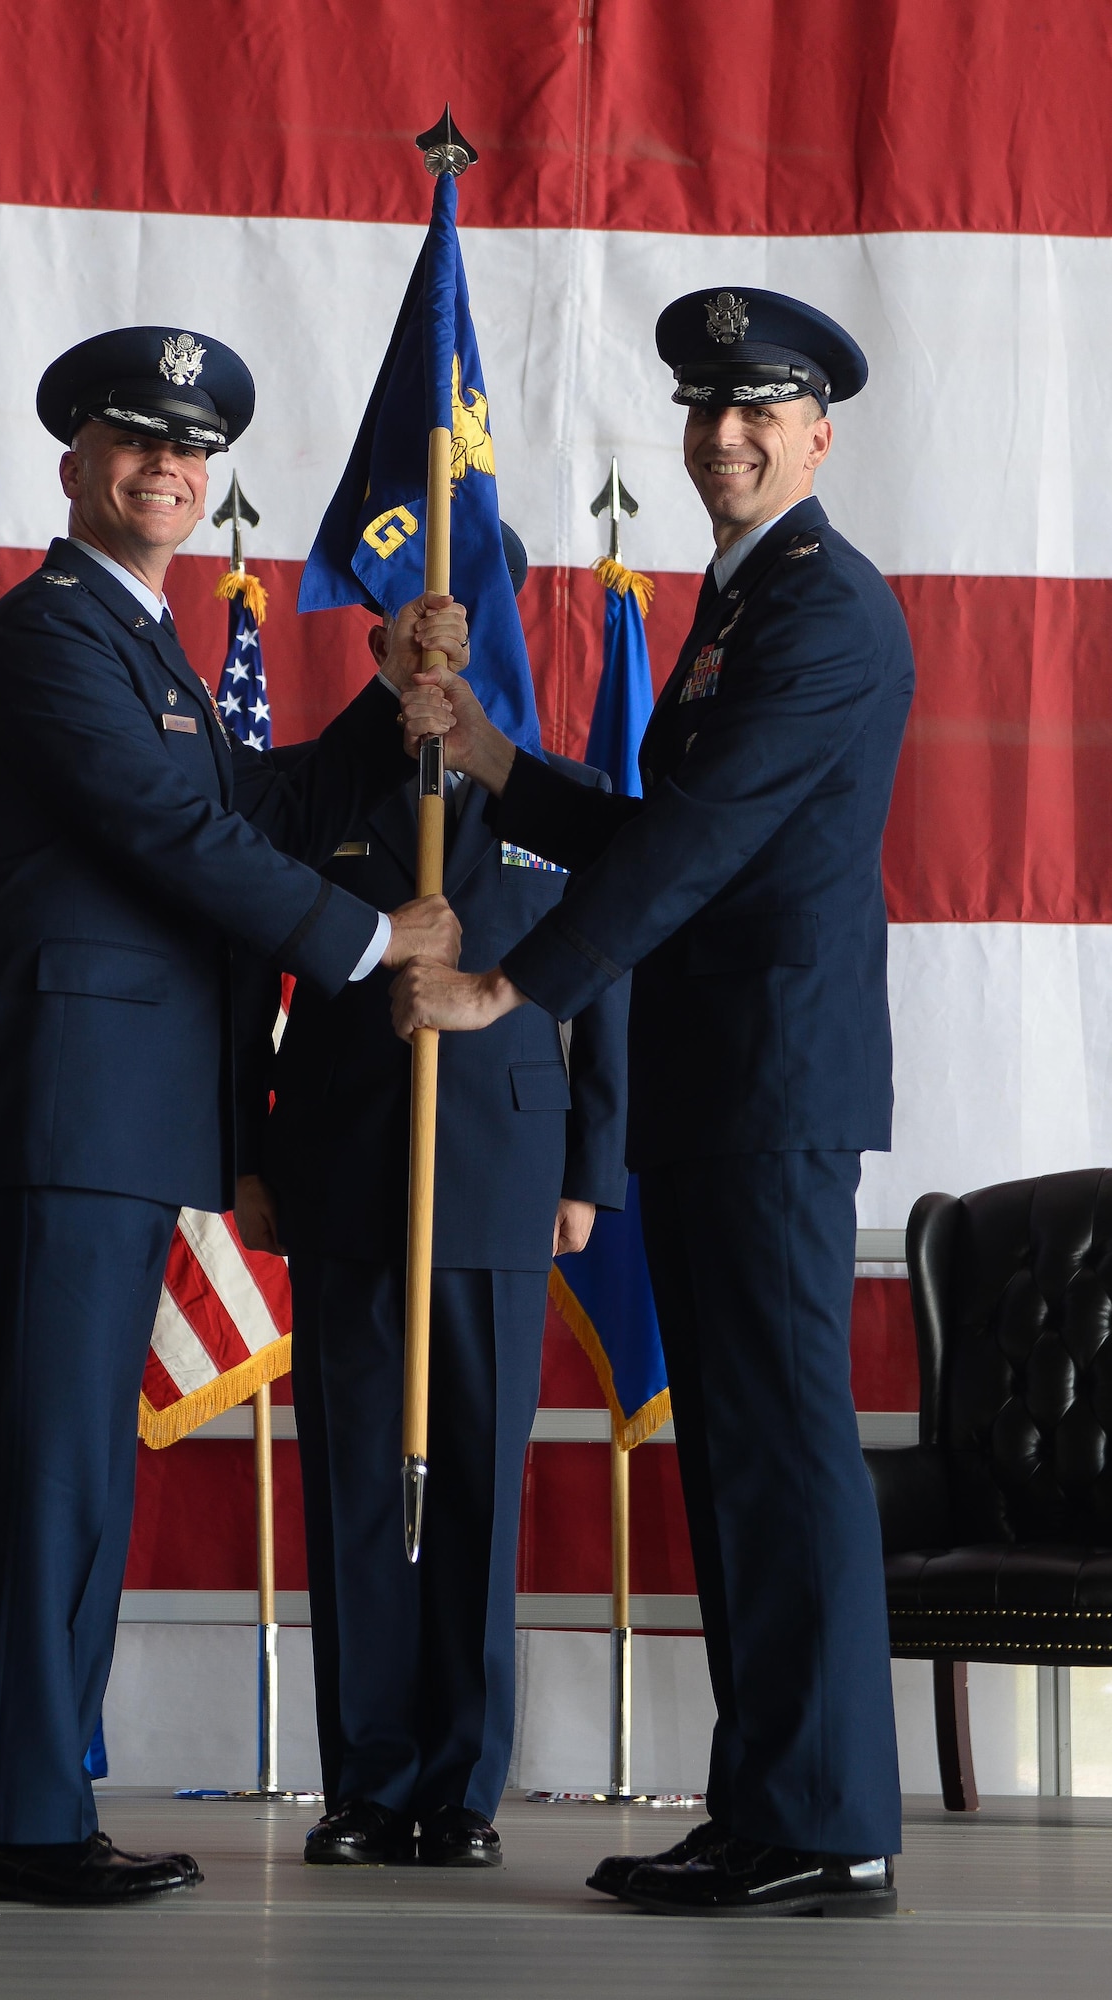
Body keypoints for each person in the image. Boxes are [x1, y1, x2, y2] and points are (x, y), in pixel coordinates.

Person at [0, 324, 468, 1905]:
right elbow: (172, 832)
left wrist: (387, 692)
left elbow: (245, 800)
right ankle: (17, 1826)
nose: (167, 467)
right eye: (134, 440)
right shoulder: (49, 636)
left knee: (74, 1471)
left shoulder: (142, 641)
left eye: (191, 449)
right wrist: (370, 943)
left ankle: (21, 1810)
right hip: (55, 1114)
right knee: (53, 1475)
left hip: (107, 1119)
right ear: (74, 462)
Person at [391, 289, 914, 1919]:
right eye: (705, 409)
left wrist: (511, 990)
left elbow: (699, 851)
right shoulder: (742, 605)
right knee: (741, 1459)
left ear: (820, 433)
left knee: (784, 1447)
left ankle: (827, 1818)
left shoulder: (825, 610)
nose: (726, 436)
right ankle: (771, 1806)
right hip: (716, 1086)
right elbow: (649, 827)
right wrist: (482, 750)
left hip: (769, 1084)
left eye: (760, 410)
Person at [233, 527, 630, 1870]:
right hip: (341, 1166)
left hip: (506, 1176)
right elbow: (242, 980)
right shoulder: (301, 791)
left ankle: (458, 1789)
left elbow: (609, 973)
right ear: (374, 634)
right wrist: (244, 1152)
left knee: (473, 1475)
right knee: (355, 1482)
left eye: (462, 619)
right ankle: (368, 1783)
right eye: (413, 618)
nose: (438, 639)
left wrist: (592, 1167)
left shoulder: (548, 795)